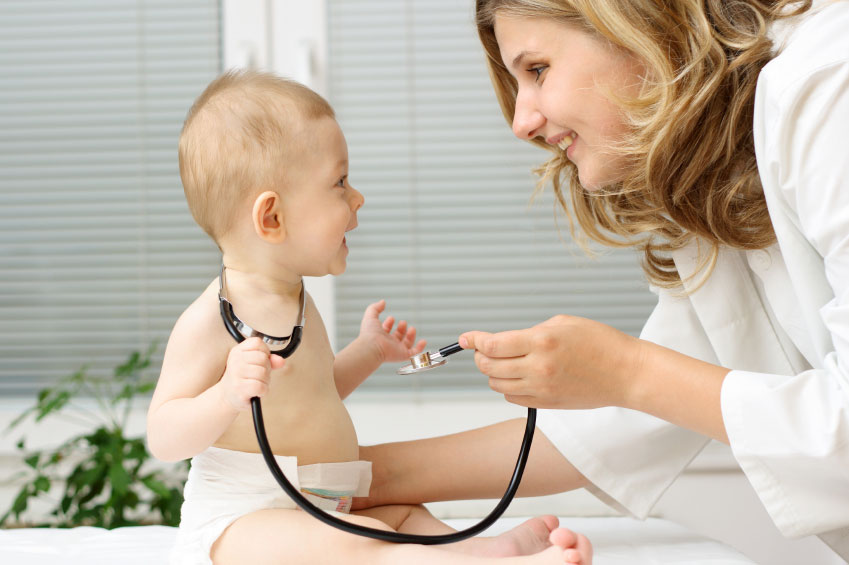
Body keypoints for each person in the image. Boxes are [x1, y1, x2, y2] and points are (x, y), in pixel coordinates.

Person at [355, 0, 849, 561]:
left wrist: (625, 371)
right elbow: (630, 419)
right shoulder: (716, 162)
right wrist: (357, 476)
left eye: (537, 70)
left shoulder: (829, 86)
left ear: (635, 22)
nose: (521, 123)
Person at [146, 70, 593, 565]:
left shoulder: (296, 302)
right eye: (339, 183)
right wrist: (225, 396)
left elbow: (315, 394)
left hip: (318, 500)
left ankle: (485, 550)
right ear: (272, 218)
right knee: (367, 542)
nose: (357, 197)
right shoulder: (209, 322)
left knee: (402, 517)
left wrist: (368, 352)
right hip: (242, 521)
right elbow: (164, 437)